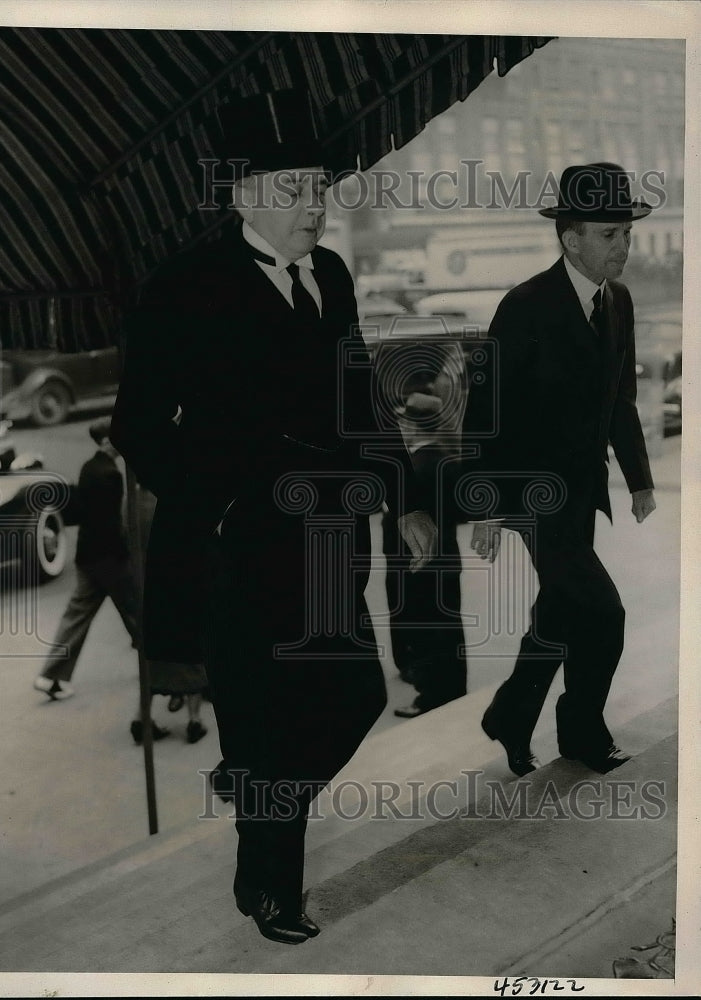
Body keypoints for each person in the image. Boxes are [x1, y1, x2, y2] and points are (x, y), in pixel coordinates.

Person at [111, 89, 436, 944]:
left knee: (355, 696)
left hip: (330, 543)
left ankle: (255, 797)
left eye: (320, 186)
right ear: (243, 194)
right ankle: (271, 889)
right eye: (294, 188)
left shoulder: (327, 274)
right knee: (268, 717)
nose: (314, 204)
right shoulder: (180, 287)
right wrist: (209, 502)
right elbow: (136, 427)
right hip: (238, 551)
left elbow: (357, 393)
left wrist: (402, 497)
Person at [461, 162, 656, 776]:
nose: (622, 246)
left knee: (561, 611)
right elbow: (484, 410)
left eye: (626, 233)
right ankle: (583, 731)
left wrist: (641, 478)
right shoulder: (523, 307)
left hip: (582, 491)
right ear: (571, 239)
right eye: (609, 234)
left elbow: (619, 398)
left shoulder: (617, 301)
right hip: (531, 494)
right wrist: (487, 504)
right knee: (604, 612)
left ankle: (511, 715)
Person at [33, 419, 172, 743]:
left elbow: (83, 511)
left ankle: (51, 675)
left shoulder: (87, 467)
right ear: (108, 441)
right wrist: (128, 554)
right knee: (141, 619)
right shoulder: (111, 474)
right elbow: (115, 523)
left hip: (87, 558)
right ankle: (162, 678)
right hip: (111, 561)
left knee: (77, 615)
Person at [380, 346, 468, 717]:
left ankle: (432, 696)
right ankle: (451, 688)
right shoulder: (446, 461)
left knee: (428, 629)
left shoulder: (416, 467)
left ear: (414, 425)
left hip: (418, 564)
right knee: (448, 628)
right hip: (445, 559)